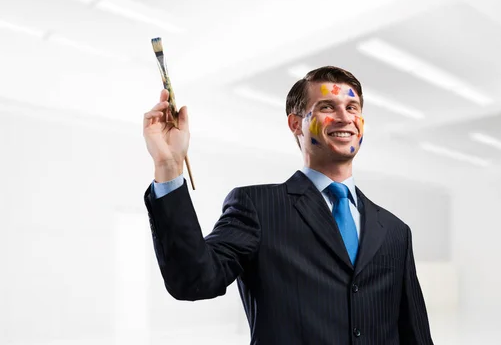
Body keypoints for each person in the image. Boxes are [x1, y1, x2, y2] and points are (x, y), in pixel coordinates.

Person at [142, 66, 434, 344]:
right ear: (296, 123)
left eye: (352, 108)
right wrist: (168, 166)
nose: (345, 117)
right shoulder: (257, 208)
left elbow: (415, 335)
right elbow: (194, 279)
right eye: (327, 107)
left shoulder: (395, 231)